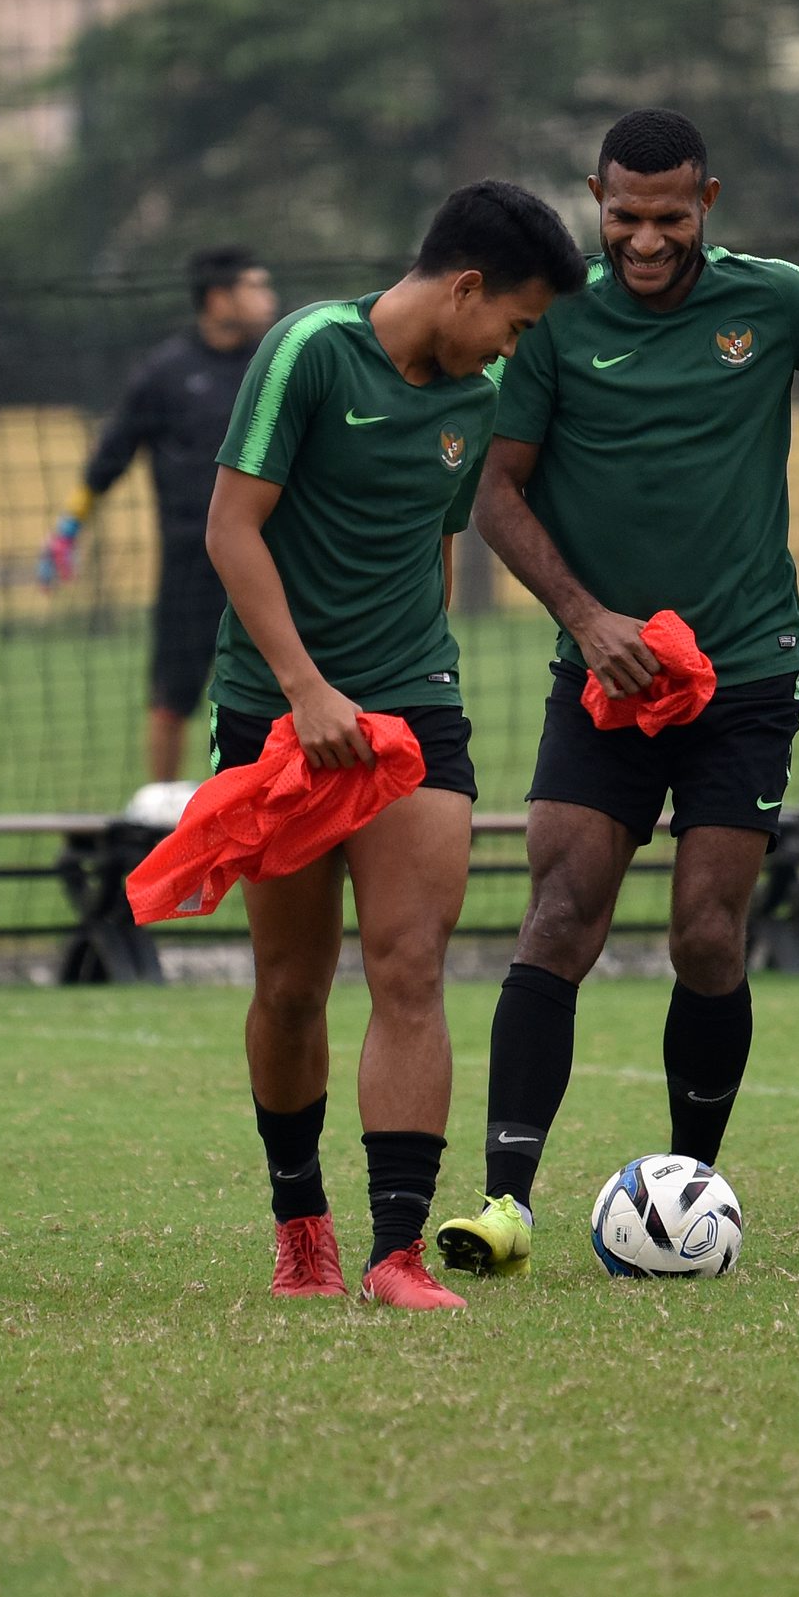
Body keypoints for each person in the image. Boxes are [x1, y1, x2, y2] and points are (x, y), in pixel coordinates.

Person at [432, 110, 799, 1278]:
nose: (645, 240)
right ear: (594, 200)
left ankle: (684, 1193)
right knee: (560, 912)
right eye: (622, 216)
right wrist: (586, 618)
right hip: (601, 676)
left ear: (709, 200)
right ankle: (503, 1201)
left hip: (745, 674)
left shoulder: (778, 301)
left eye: (669, 216)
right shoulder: (554, 322)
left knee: (708, 931)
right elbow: (496, 493)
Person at [212, 179, 585, 1310]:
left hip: (411, 713)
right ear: (465, 287)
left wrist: (396, 685)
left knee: (410, 965)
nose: (514, 350)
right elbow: (232, 529)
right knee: (288, 985)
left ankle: (394, 1251)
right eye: (514, 324)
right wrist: (305, 689)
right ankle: (300, 1230)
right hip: (277, 708)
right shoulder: (309, 351)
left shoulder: (477, 399)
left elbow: (425, 546)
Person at [40, 245, 278, 784]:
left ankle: (268, 804)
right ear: (219, 298)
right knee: (172, 697)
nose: (268, 298)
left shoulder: (274, 365)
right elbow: (109, 459)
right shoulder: (165, 373)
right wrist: (67, 529)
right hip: (190, 566)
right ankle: (163, 815)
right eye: (256, 285)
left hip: (270, 560)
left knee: (276, 692)